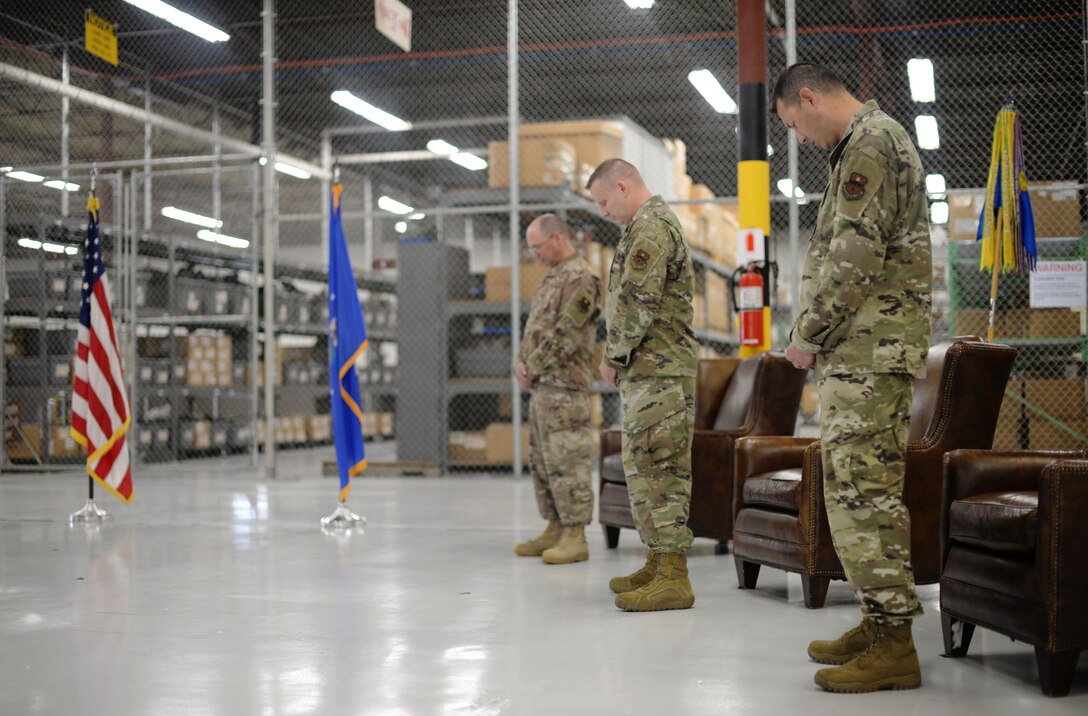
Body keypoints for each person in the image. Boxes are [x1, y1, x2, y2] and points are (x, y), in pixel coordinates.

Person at [772, 63, 933, 692]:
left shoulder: (869, 141)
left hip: (869, 351)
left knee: (864, 494)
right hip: (862, 352)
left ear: (808, 98)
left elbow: (854, 255)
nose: (802, 138)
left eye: (795, 124)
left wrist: (807, 336)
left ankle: (894, 642)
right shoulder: (862, 144)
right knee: (850, 489)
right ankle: (877, 621)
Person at [586, 159, 698, 612]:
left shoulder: (650, 228)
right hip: (651, 371)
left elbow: (638, 302)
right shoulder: (641, 227)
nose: (604, 210)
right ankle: (658, 560)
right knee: (645, 465)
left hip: (660, 373)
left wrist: (613, 354)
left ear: (622, 184)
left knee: (658, 467)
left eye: (604, 201)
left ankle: (674, 575)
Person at [513, 214, 600, 564]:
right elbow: (536, 328)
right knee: (543, 460)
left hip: (564, 385)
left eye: (537, 246)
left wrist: (530, 367)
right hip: (543, 385)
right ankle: (555, 525)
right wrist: (522, 362)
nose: (533, 253)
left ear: (558, 237)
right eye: (530, 247)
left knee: (567, 459)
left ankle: (576, 534)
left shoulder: (580, 277)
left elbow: (568, 334)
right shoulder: (553, 277)